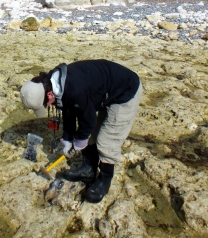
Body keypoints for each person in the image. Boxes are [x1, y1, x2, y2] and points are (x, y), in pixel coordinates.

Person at [20, 59, 142, 203]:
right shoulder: (53, 83)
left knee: (106, 140)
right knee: (90, 136)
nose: (46, 107)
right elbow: (68, 110)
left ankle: (105, 178)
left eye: (44, 105)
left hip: (125, 92)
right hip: (102, 90)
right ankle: (88, 169)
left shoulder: (74, 89)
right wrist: (67, 138)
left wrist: (79, 141)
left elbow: (89, 120)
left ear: (49, 95)